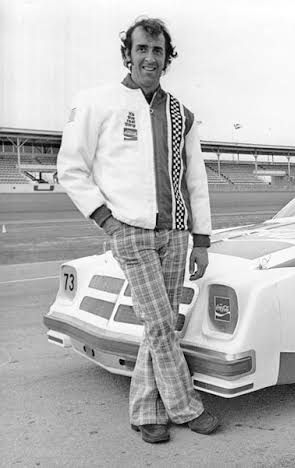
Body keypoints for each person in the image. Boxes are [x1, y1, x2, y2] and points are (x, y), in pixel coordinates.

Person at [57, 16, 220, 444]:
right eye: (142, 49)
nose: (150, 57)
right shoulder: (96, 102)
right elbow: (71, 168)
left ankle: (147, 412)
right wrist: (105, 220)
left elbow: (196, 180)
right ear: (127, 54)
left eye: (158, 51)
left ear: (167, 59)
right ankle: (186, 407)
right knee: (161, 322)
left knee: (159, 325)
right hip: (129, 232)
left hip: (177, 234)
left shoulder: (182, 114)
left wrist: (201, 239)